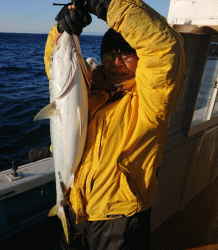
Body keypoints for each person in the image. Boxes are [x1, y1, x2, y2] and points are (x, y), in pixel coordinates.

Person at [43, 0, 185, 249]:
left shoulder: (151, 99)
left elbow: (164, 49)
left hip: (120, 220)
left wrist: (110, 6)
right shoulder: (89, 90)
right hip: (75, 209)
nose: (117, 62)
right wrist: (63, 29)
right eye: (110, 53)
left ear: (141, 55)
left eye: (127, 53)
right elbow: (57, 68)